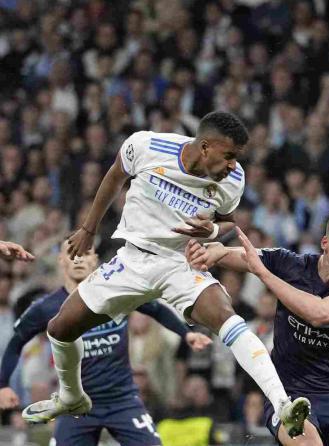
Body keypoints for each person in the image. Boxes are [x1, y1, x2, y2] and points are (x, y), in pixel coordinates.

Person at [22, 111, 310, 438]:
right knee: (60, 328)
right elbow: (115, 176)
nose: (234, 165)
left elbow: (228, 221)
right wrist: (89, 229)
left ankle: (283, 404)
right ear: (205, 147)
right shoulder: (146, 146)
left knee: (228, 318)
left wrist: (213, 230)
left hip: (180, 263)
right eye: (229, 155)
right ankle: (72, 396)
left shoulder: (233, 179)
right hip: (132, 260)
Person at [186, 207, 329, 446]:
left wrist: (265, 275)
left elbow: (321, 314)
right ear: (325, 243)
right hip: (288, 393)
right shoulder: (291, 265)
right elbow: (240, 255)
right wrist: (213, 251)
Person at [0, 239, 212, 445]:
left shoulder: (117, 292)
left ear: (95, 259)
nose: (79, 259)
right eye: (72, 254)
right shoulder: (45, 307)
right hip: (77, 404)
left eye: (85, 253)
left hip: (122, 400)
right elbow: (16, 342)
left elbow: (156, 309)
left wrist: (186, 334)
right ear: (61, 260)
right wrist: (3, 385)